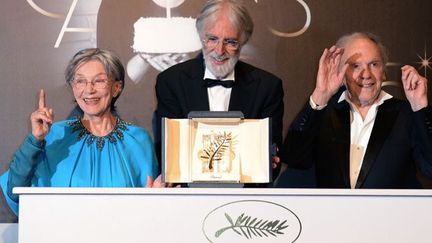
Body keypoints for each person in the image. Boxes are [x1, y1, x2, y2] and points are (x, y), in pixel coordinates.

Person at [0, 48, 160, 215]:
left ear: (116, 88)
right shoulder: (55, 135)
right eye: (80, 81)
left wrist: (157, 200)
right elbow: (15, 190)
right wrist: (35, 140)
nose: (89, 90)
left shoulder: (138, 139)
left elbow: (147, 212)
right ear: (73, 87)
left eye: (99, 81)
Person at [280, 32, 432, 188]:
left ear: (383, 71)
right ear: (340, 72)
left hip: (389, 212)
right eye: (355, 66)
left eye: (374, 64)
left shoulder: (406, 113)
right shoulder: (323, 111)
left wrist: (420, 107)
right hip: (331, 211)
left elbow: (430, 168)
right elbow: (293, 158)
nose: (366, 74)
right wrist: (320, 95)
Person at [154, 0, 284, 177]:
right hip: (187, 196)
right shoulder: (171, 82)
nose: (219, 50)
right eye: (212, 39)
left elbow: (270, 160)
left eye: (230, 42)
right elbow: (168, 154)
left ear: (243, 42)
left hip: (245, 198)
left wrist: (268, 161)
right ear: (201, 37)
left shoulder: (267, 87)